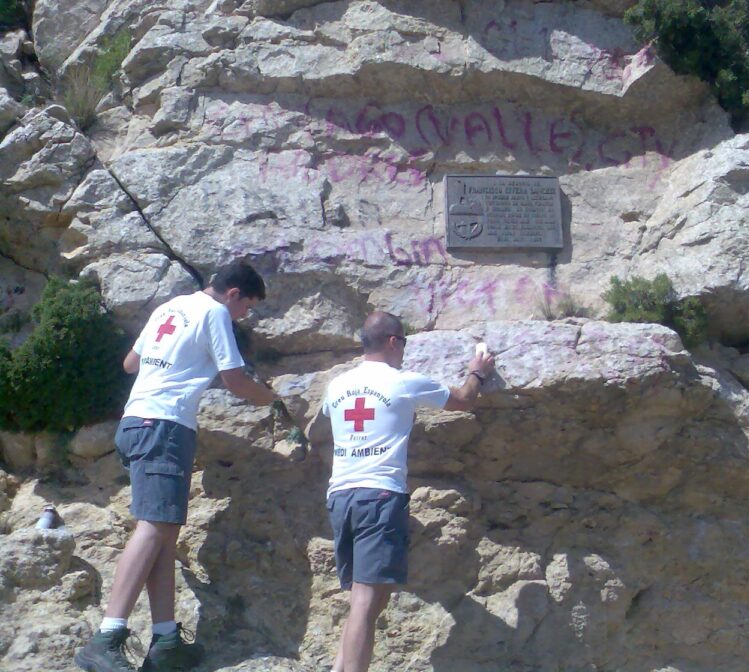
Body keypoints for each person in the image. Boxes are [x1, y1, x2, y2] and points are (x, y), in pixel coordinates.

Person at [75, 261, 279, 672]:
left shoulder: (168, 308)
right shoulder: (215, 312)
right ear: (234, 293)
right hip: (165, 426)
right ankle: (107, 637)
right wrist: (271, 399)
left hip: (135, 422)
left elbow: (131, 364)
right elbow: (235, 379)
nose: (244, 317)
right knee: (152, 529)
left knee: (164, 535)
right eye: (247, 307)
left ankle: (166, 641)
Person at [316, 311, 495, 672]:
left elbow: (315, 428)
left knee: (370, 596)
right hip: (379, 496)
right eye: (405, 343)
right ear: (394, 342)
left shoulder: (337, 385)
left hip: (341, 496)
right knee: (366, 601)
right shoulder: (403, 382)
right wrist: (478, 370)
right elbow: (463, 399)